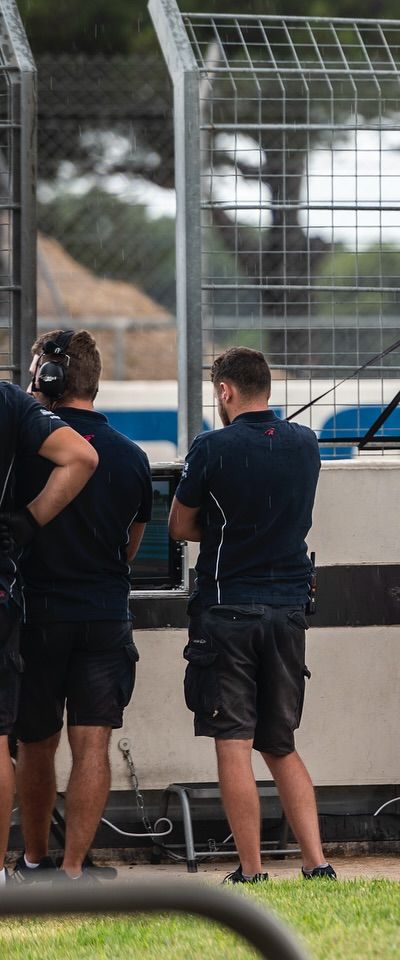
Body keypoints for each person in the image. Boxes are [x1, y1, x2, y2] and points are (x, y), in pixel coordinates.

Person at [168, 347, 336, 883]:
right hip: (289, 611)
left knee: (234, 745)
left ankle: (252, 870)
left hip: (228, 612)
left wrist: (223, 533)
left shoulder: (211, 447)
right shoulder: (306, 443)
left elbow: (178, 526)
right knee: (280, 744)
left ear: (225, 391)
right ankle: (318, 864)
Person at [11, 331, 149, 884]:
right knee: (93, 740)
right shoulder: (134, 456)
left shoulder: (29, 446)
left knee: (34, 742)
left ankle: (36, 860)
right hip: (104, 613)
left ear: (46, 379)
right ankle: (74, 871)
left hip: (37, 614)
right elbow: (132, 546)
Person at [0, 370, 99, 888]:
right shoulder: (11, 404)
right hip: (10, 593)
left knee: (32, 739)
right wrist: (28, 520)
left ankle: (36, 859)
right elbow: (82, 458)